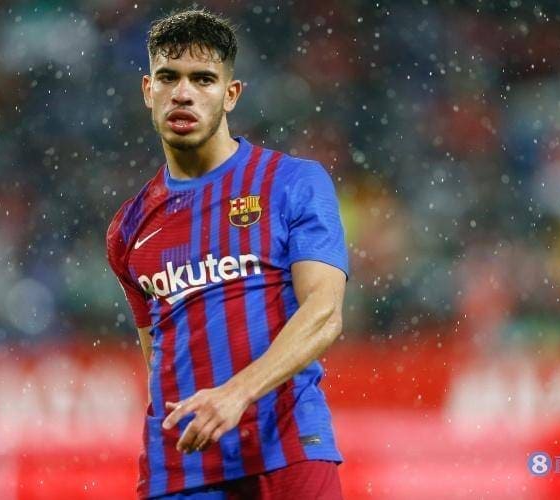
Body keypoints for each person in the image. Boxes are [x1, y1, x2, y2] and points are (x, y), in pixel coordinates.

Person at [106, 7, 348, 500]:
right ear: (148, 90)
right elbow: (157, 357)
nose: (183, 93)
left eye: (203, 79)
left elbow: (324, 313)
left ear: (231, 94)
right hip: (182, 466)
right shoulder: (128, 228)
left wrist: (237, 394)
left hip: (286, 445)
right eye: (168, 77)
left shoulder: (292, 183)